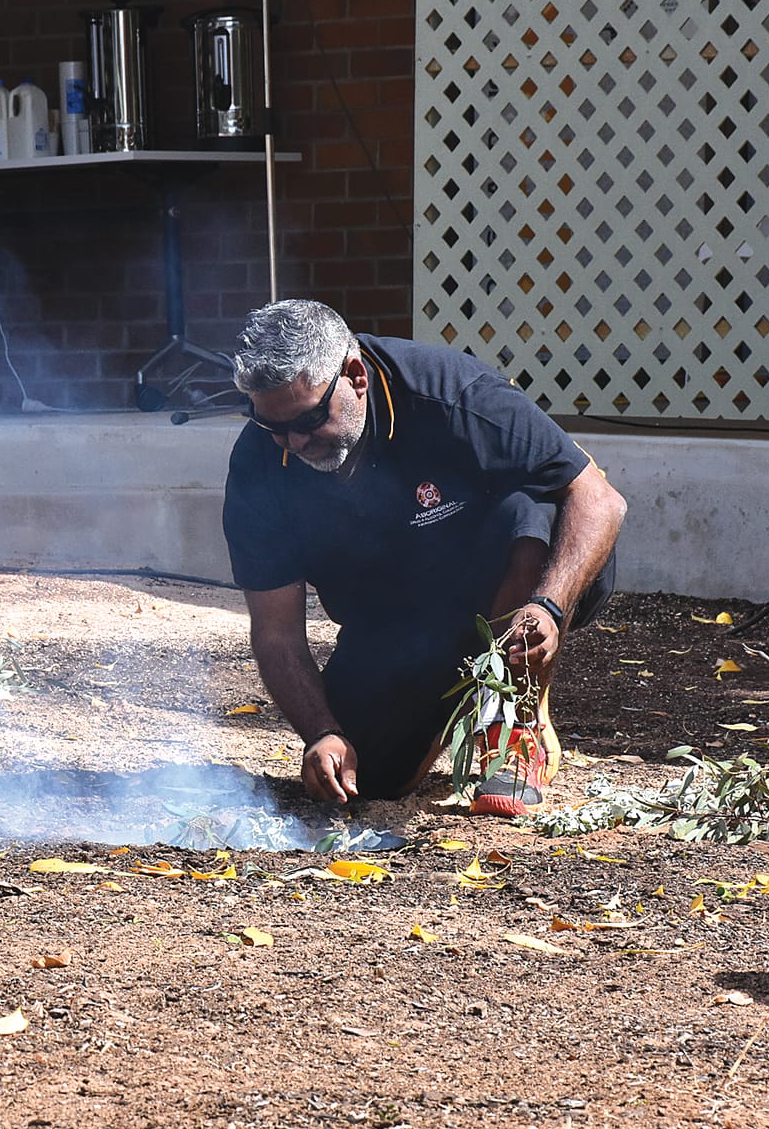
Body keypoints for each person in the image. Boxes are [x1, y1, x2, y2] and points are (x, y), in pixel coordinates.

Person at [222, 299, 626, 815]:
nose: (294, 441)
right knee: (367, 777)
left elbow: (598, 499)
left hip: (505, 578)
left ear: (355, 375)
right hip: (398, 621)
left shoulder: (453, 395)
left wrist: (548, 605)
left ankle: (513, 718)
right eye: (273, 425)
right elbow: (276, 631)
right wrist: (321, 732)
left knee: (530, 502)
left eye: (310, 418)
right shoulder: (260, 465)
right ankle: (457, 699)